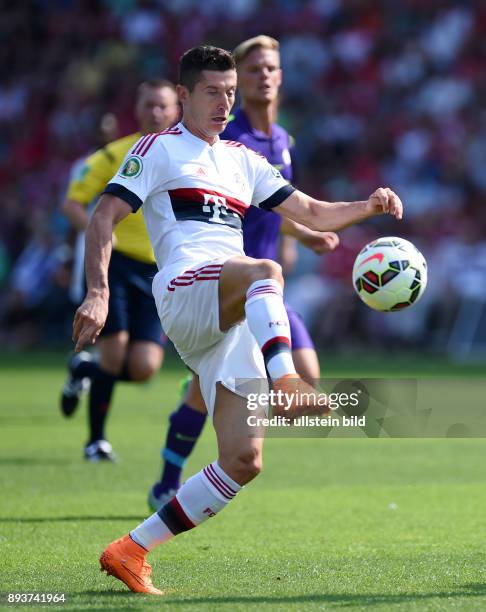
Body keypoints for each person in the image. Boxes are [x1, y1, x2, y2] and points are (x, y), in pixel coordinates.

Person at [72, 45, 403, 594]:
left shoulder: (243, 160)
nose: (225, 102)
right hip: (185, 288)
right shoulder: (157, 149)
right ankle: (288, 381)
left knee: (244, 460)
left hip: (225, 321)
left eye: (230, 93)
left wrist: (367, 206)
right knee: (263, 269)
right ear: (183, 96)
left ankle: (131, 549)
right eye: (213, 92)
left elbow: (313, 213)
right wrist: (97, 292)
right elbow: (103, 215)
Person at [147, 35, 339, 511]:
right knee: (210, 387)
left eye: (271, 68)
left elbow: (280, 206)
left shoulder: (280, 141)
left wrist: (302, 235)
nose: (264, 77)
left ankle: (236, 415)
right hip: (227, 281)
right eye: (254, 70)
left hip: (264, 288)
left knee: (298, 381)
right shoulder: (224, 139)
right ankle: (168, 477)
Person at [59, 79, 180, 462]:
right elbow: (73, 203)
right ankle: (96, 441)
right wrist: (100, 233)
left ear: (177, 108)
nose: (157, 113)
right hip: (116, 264)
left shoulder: (188, 156)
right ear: (138, 109)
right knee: (113, 355)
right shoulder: (115, 155)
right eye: (149, 106)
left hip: (158, 270)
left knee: (145, 368)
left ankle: (83, 370)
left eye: (163, 106)